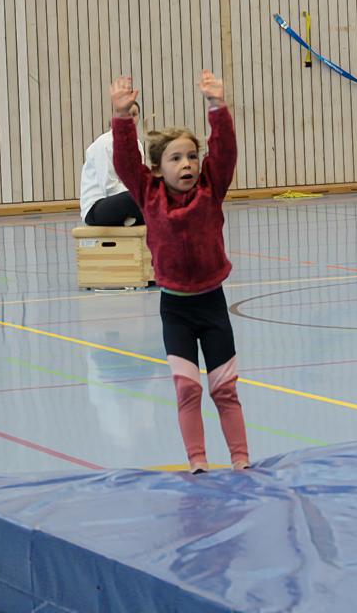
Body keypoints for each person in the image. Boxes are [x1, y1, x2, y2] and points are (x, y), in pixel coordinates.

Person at [109, 71, 249, 473]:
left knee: (224, 390)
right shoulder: (148, 194)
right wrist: (122, 117)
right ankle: (198, 462)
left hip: (212, 305)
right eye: (175, 158)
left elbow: (225, 152)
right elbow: (125, 161)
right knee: (188, 390)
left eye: (191, 156)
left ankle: (241, 459)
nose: (187, 164)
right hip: (176, 311)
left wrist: (217, 106)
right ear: (156, 169)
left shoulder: (211, 189)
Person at [79, 100, 145, 227]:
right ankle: (132, 216)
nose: (130, 119)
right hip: (96, 207)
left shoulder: (137, 145)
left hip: (126, 200)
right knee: (134, 198)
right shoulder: (104, 144)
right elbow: (109, 187)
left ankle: (133, 218)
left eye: (134, 114)